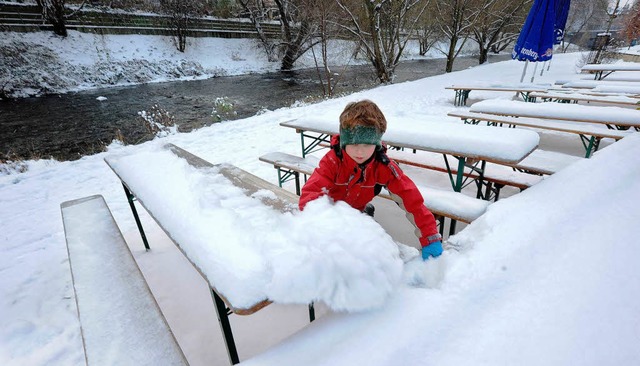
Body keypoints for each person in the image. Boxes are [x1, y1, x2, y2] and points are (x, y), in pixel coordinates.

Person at [298, 100, 443, 260]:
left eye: (367, 145)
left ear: (377, 143)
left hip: (357, 214)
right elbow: (311, 196)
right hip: (331, 219)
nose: (360, 151)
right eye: (354, 144)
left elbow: (411, 199)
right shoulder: (332, 162)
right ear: (345, 141)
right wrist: (320, 229)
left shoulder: (382, 165)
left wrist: (430, 237)